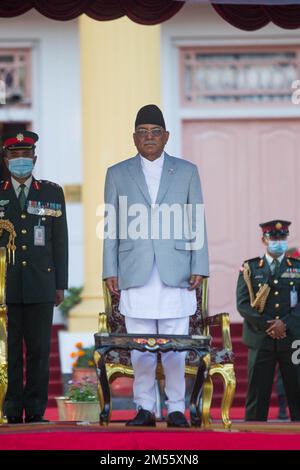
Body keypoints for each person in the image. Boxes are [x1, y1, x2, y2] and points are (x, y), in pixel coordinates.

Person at [103, 104, 209, 427]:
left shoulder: (187, 171)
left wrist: (199, 264)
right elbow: (110, 226)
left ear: (166, 137)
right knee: (141, 347)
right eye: (143, 133)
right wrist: (110, 268)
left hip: (176, 269)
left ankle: (176, 408)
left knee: (176, 346)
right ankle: (145, 408)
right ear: (134, 138)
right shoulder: (117, 173)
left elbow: (197, 221)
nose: (149, 138)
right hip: (134, 271)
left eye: (155, 132)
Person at [0, 130, 68, 424]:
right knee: (10, 351)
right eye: (14, 156)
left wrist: (61, 284)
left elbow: (60, 241)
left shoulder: (52, 192)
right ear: (5, 159)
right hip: (5, 287)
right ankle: (12, 409)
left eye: (26, 156)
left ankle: (36, 411)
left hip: (42, 284)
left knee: (40, 351)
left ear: (35, 158)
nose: (20, 161)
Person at [237, 220, 300, 421]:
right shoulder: (250, 268)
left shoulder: (297, 267)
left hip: (292, 339)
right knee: (257, 392)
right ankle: (254, 437)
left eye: (282, 238)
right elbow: (243, 304)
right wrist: (268, 325)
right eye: (273, 238)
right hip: (260, 339)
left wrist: (285, 324)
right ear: (264, 240)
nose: (278, 242)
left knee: (297, 389)